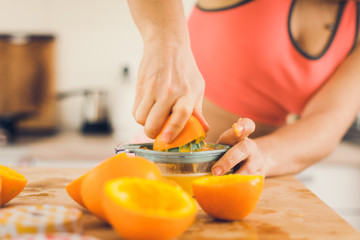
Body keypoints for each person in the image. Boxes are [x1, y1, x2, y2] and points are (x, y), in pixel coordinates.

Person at [127, 0, 360, 177]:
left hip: (248, 179)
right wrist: (165, 42)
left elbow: (328, 122)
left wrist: (261, 155)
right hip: (161, 169)